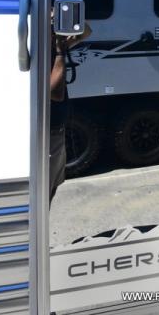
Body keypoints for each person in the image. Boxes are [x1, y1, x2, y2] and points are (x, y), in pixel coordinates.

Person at [49, 21, 91, 203]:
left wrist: (68, 16)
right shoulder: (42, 50)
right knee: (46, 189)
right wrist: (60, 51)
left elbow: (86, 31)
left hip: (56, 131)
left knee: (52, 187)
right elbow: (55, 93)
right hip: (48, 135)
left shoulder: (52, 44)